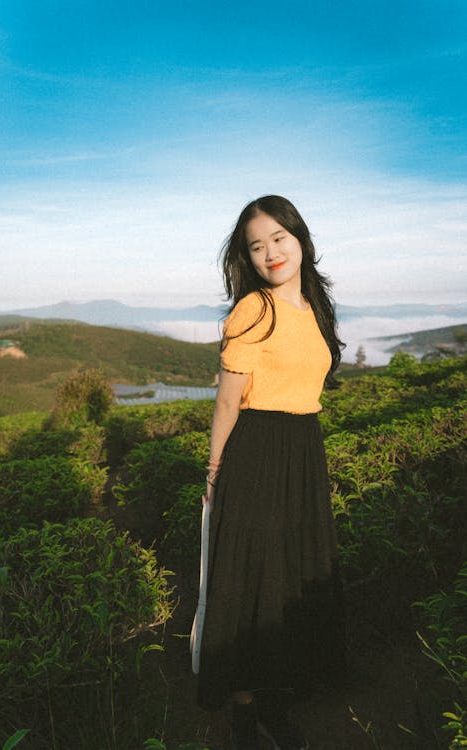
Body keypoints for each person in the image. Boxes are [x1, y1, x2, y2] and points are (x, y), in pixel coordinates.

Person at [195, 195, 346, 750]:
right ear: (247, 258)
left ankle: (278, 699)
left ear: (300, 238)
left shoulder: (315, 307)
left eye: (278, 238)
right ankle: (243, 712)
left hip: (303, 449)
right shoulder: (253, 310)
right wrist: (214, 472)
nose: (270, 253)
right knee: (251, 577)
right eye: (256, 246)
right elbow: (228, 404)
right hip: (257, 451)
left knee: (291, 574)